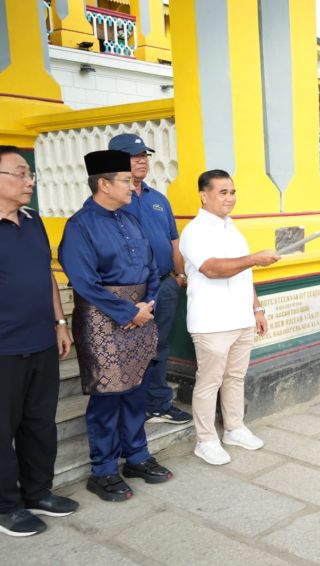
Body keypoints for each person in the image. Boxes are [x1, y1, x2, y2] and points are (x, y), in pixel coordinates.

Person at [59, 150, 173, 503]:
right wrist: (128, 312)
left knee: (136, 390)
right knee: (107, 398)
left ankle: (136, 456)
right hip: (102, 321)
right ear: (104, 184)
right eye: (125, 180)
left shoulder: (131, 219)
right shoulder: (80, 226)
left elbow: (152, 267)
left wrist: (148, 302)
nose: (131, 184)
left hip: (141, 314)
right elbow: (85, 283)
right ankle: (104, 470)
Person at [0, 146, 79, 536]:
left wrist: (60, 321)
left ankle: (37, 492)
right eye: (19, 173)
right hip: (3, 350)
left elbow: (46, 274)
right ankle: (7, 506)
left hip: (42, 342)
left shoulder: (32, 221)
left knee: (39, 424)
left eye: (29, 174)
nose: (30, 181)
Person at [179, 170, 278, 465]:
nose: (230, 198)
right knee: (209, 381)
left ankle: (234, 428)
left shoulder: (233, 229)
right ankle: (206, 439)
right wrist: (254, 258)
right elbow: (212, 268)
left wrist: (256, 309)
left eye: (232, 192)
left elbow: (244, 274)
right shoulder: (195, 231)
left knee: (235, 377)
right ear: (204, 195)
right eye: (222, 192)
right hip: (211, 323)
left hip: (241, 319)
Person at [108, 133, 191, 425]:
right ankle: (131, 407)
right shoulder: (110, 200)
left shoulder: (158, 199)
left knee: (160, 345)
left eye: (144, 155)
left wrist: (179, 275)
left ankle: (158, 403)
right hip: (129, 290)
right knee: (130, 347)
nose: (142, 160)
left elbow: (173, 240)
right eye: (134, 155)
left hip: (165, 284)